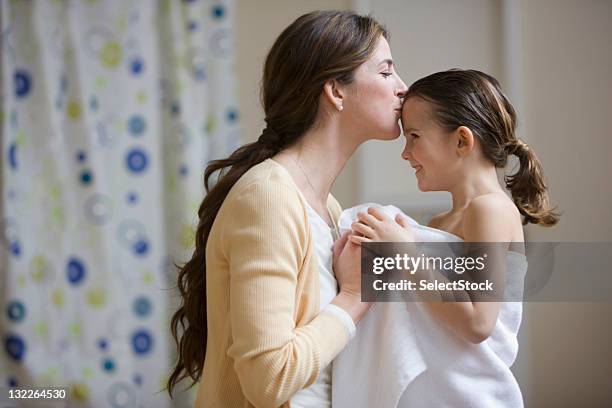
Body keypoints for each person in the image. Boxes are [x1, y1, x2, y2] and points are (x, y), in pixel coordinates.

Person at [166, 10, 408, 408]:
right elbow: (269, 381)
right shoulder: (268, 197)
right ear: (336, 90)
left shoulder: (328, 208)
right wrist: (353, 296)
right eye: (385, 72)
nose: (402, 88)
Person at [333, 69, 559, 407]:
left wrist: (404, 253)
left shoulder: (490, 211)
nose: (405, 153)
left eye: (414, 137)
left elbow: (478, 323)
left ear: (462, 141)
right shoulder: (441, 223)